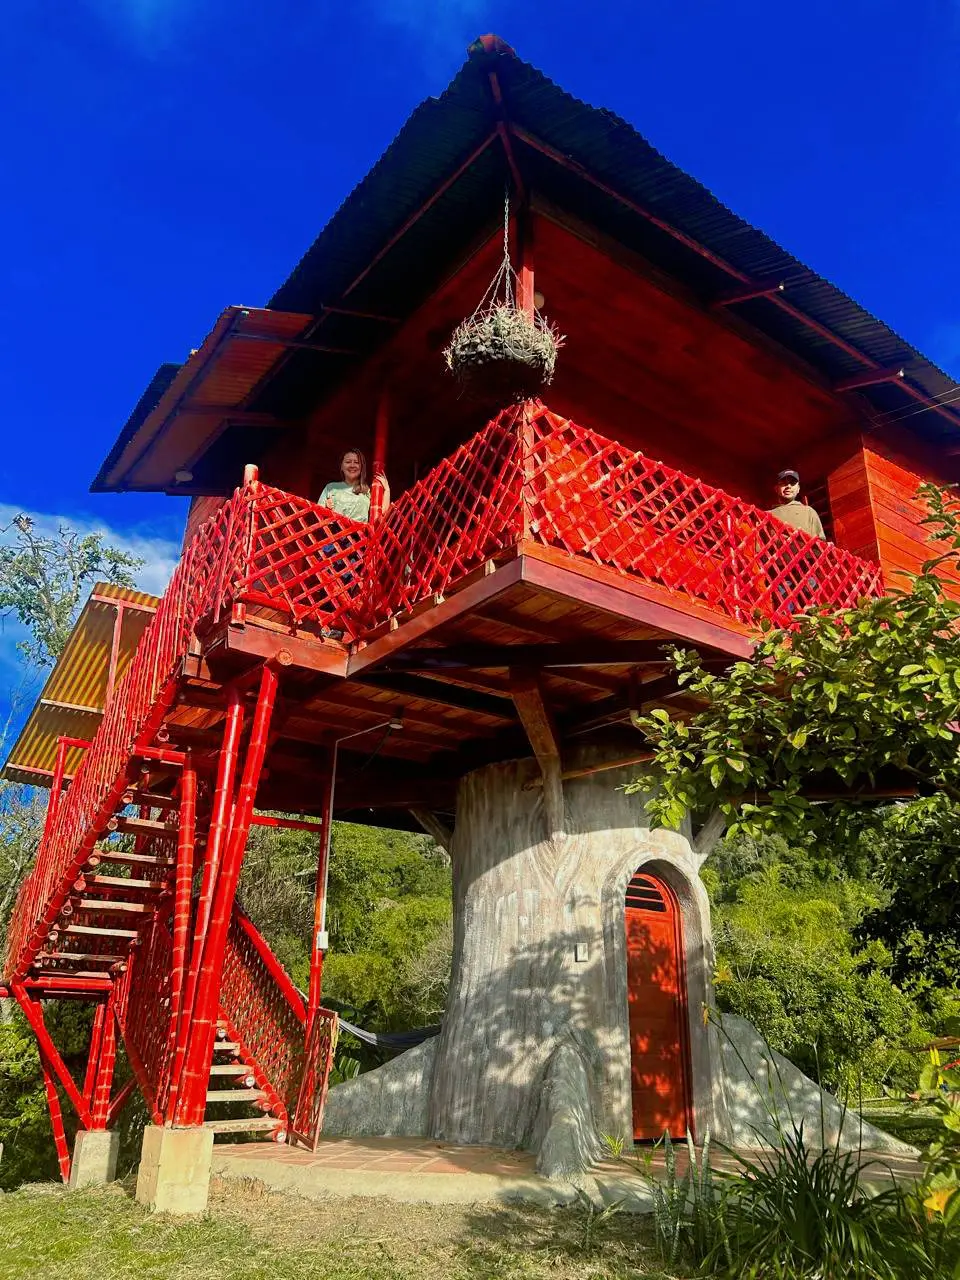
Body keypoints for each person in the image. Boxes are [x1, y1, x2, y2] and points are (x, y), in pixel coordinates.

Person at [318, 448, 390, 522]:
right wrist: (326, 509)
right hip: (335, 531)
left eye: (356, 462)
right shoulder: (331, 488)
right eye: (348, 462)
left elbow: (382, 515)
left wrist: (387, 490)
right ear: (341, 467)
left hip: (359, 533)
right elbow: (318, 515)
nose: (352, 465)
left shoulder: (367, 491)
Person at [769, 469, 825, 539]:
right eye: (783, 483)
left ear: (798, 488)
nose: (788, 486)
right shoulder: (768, 514)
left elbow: (821, 542)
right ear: (776, 488)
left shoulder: (809, 512)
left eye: (792, 483)